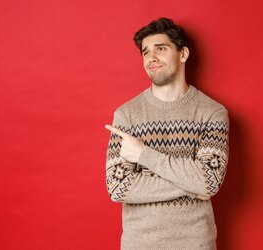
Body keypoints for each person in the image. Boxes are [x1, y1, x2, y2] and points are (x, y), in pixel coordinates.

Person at [104, 17, 229, 250]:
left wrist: (144, 154)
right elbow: (118, 187)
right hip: (139, 244)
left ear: (183, 54)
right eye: (145, 52)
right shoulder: (126, 115)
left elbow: (209, 182)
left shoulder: (212, 113)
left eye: (161, 49)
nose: (151, 58)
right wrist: (194, 185)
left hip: (195, 244)